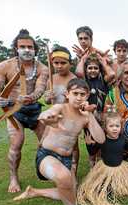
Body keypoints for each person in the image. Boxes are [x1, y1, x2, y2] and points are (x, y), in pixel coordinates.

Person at [13, 79, 105, 205]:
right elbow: (46, 114)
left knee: (69, 192)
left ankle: (34, 192)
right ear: (67, 94)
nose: (78, 97)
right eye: (75, 93)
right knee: (64, 179)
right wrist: (49, 117)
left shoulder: (84, 117)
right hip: (47, 156)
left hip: (67, 160)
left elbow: (101, 139)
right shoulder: (60, 107)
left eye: (82, 94)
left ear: (87, 96)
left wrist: (89, 115)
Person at [0, 29, 49, 193]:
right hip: (14, 111)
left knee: (46, 143)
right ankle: (13, 177)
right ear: (16, 48)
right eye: (23, 46)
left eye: (30, 47)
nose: (27, 50)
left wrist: (32, 96)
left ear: (35, 49)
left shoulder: (42, 68)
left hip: (34, 109)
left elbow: (40, 88)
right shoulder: (4, 66)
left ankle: (43, 169)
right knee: (16, 144)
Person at [77, 110, 128, 205]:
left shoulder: (123, 138)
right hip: (105, 168)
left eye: (117, 126)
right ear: (105, 128)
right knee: (101, 188)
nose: (115, 128)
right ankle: (105, 188)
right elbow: (93, 152)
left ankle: (115, 186)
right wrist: (89, 144)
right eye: (111, 126)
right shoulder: (102, 140)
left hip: (119, 168)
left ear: (121, 127)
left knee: (124, 188)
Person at [43, 45, 80, 176]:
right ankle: (61, 170)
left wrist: (68, 100)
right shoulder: (51, 79)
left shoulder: (74, 79)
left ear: (70, 63)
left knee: (72, 145)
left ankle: (73, 171)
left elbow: (78, 102)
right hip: (55, 118)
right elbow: (47, 101)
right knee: (55, 145)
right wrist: (48, 97)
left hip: (71, 118)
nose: (59, 66)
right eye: (56, 63)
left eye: (63, 63)